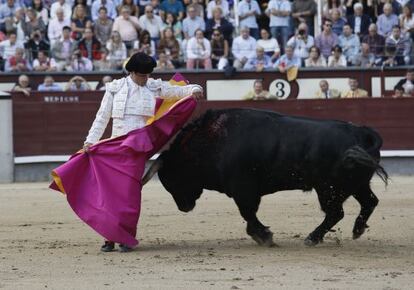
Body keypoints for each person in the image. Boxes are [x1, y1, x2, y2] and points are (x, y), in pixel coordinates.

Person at [82, 52, 202, 252]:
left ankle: (126, 237)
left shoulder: (153, 86)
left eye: (147, 75)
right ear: (131, 72)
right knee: (110, 195)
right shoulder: (114, 88)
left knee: (129, 196)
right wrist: (90, 141)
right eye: (141, 75)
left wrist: (195, 88)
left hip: (136, 150)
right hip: (115, 147)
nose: (144, 79)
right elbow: (102, 118)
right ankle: (109, 237)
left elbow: (176, 91)